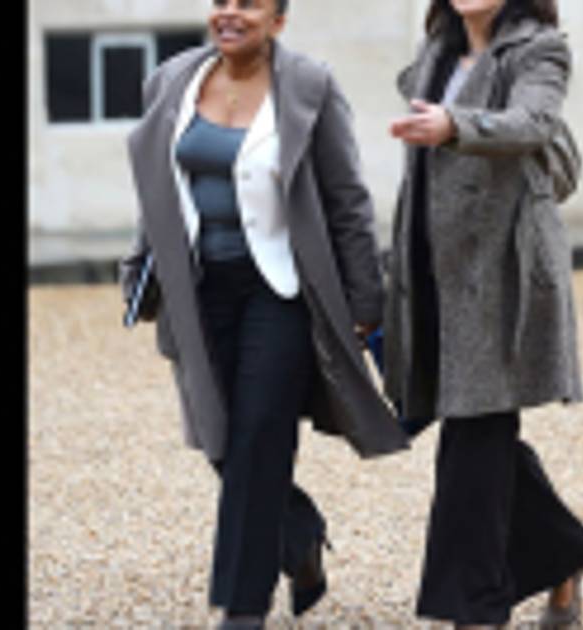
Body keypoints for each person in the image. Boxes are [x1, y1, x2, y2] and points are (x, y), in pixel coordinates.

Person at [120, 0, 410, 626]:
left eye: (249, 4)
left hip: (280, 289)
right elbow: (158, 187)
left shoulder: (309, 85)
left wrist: (365, 299)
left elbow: (347, 198)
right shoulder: (172, 79)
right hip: (198, 287)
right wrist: (139, 265)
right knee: (220, 433)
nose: (230, 14)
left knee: (260, 433)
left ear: (278, 20)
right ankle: (298, 532)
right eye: (222, 2)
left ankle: (242, 607)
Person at [384, 0, 583, 627]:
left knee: (475, 432)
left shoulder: (539, 48)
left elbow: (533, 122)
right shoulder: (436, 52)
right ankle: (564, 555)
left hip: (500, 264)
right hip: (433, 265)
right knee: (479, 427)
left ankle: (474, 607)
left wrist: (455, 124)